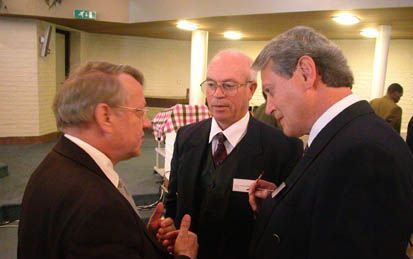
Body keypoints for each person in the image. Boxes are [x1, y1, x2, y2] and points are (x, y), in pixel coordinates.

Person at [248, 26, 413, 259]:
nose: (270, 106)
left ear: (306, 73)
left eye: (270, 91)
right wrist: (282, 204)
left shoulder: (365, 152)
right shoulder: (343, 135)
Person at [18, 61, 198, 259]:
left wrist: (141, 239)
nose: (146, 123)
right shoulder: (100, 208)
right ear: (105, 116)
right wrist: (185, 255)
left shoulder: (54, 165)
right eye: (139, 112)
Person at [164, 50, 303, 259]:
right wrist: (169, 227)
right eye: (211, 85)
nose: (217, 94)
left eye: (228, 86)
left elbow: (291, 223)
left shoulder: (284, 147)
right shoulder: (186, 136)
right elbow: (174, 199)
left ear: (251, 89)